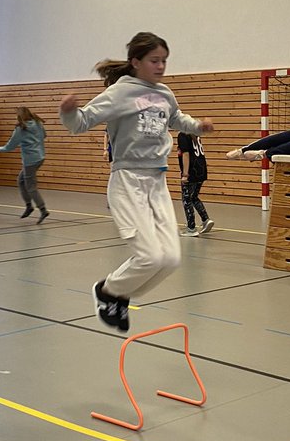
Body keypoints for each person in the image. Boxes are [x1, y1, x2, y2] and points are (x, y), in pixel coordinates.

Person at [60, 31, 214, 332]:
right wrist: (67, 112)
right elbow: (81, 122)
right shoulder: (120, 93)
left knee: (169, 258)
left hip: (156, 181)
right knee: (149, 255)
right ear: (136, 62)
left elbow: (176, 118)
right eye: (154, 61)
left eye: (164, 61)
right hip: (128, 180)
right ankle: (107, 291)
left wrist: (199, 126)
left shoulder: (165, 93)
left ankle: (119, 295)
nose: (160, 67)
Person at [0, 107, 49, 223]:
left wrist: (0, 149)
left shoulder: (21, 128)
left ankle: (43, 209)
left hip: (30, 161)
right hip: (40, 157)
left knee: (31, 186)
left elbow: (11, 145)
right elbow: (44, 135)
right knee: (21, 180)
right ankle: (29, 206)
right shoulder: (37, 123)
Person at [178, 131, 214, 236]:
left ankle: (191, 228)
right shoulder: (195, 134)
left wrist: (185, 174)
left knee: (186, 199)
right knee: (194, 197)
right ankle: (205, 219)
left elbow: (186, 154)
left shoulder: (183, 135)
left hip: (192, 171)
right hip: (201, 170)